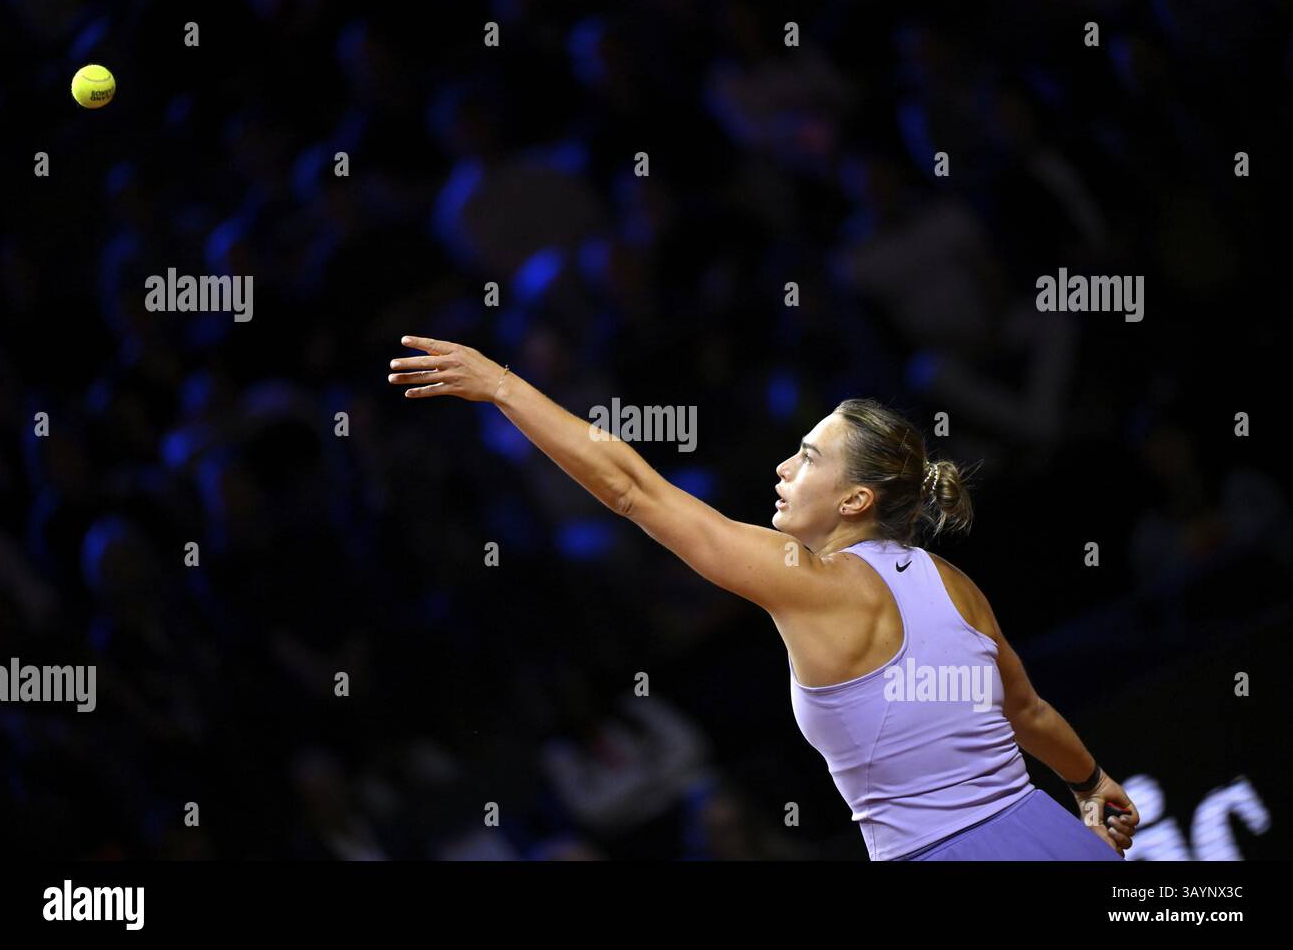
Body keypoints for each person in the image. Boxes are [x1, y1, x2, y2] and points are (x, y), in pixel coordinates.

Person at [387, 336, 1139, 860]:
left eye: (807, 456)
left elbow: (630, 489)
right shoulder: (953, 583)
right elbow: (1029, 713)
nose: (782, 466)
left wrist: (503, 385)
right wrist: (1092, 782)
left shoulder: (808, 581)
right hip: (1050, 831)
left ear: (854, 499)